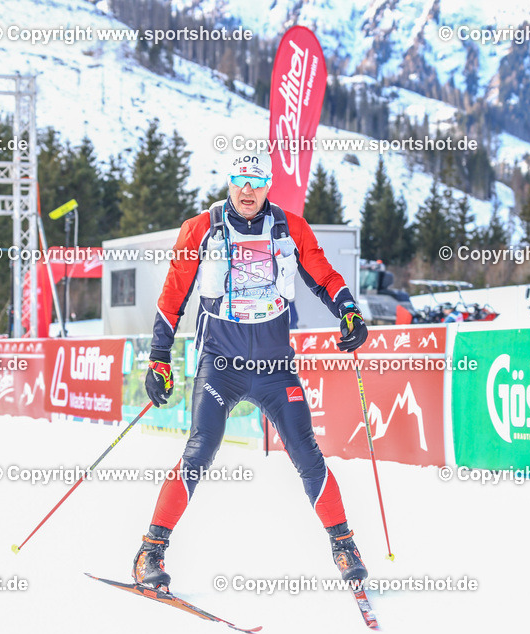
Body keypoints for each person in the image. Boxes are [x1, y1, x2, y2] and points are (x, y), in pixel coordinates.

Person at [132, 151, 370, 590]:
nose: (247, 189)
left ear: (268, 186)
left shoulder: (290, 228)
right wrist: (159, 359)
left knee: (306, 452)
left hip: (276, 368)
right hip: (221, 365)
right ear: (229, 182)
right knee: (200, 451)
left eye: (256, 181)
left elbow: (323, 275)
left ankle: (344, 544)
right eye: (240, 179)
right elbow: (172, 297)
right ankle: (150, 550)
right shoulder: (200, 229)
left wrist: (350, 312)